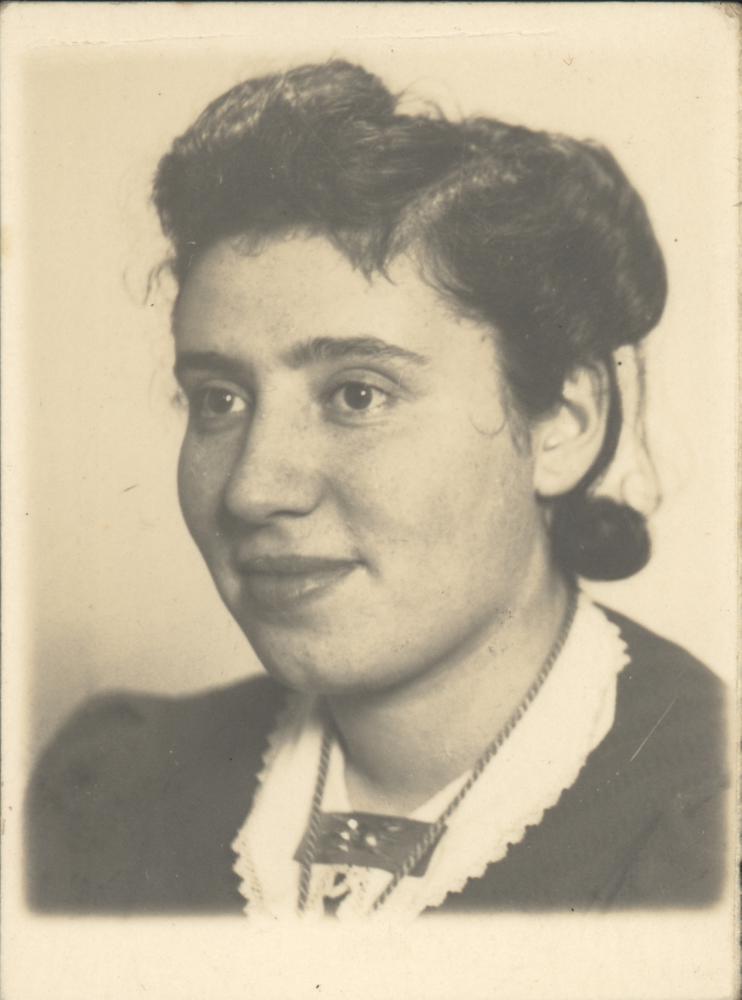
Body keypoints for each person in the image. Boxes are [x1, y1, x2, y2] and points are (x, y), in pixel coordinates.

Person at [26, 60, 727, 919]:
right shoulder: (109, 796)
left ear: (563, 425)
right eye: (219, 400)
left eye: (358, 394)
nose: (252, 488)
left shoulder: (703, 828)